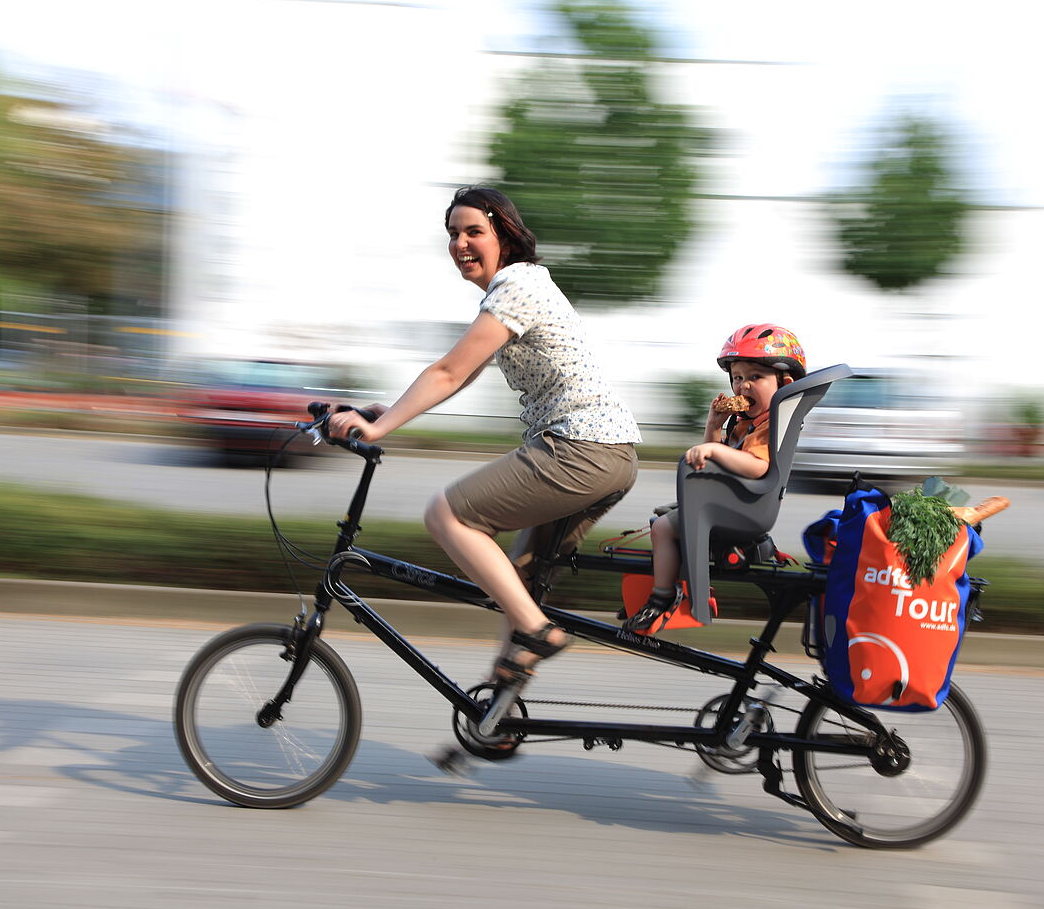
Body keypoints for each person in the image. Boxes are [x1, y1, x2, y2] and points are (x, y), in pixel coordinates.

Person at [327, 186, 640, 690]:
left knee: (447, 514)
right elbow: (465, 371)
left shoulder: (516, 285)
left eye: (474, 231)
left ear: (505, 235)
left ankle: (537, 631)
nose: (461, 244)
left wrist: (380, 428)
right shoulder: (520, 288)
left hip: (580, 449)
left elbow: (450, 371)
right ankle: (499, 708)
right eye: (453, 234)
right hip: (608, 454)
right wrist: (392, 413)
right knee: (519, 580)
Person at [622, 323, 806, 633]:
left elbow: (757, 467)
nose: (743, 386)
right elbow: (718, 459)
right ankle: (674, 586)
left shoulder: (769, 426)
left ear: (785, 384)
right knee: (664, 519)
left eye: (755, 377)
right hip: (734, 500)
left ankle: (662, 598)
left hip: (747, 507)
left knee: (664, 529)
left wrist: (712, 451)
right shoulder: (746, 422)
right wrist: (714, 427)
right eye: (737, 378)